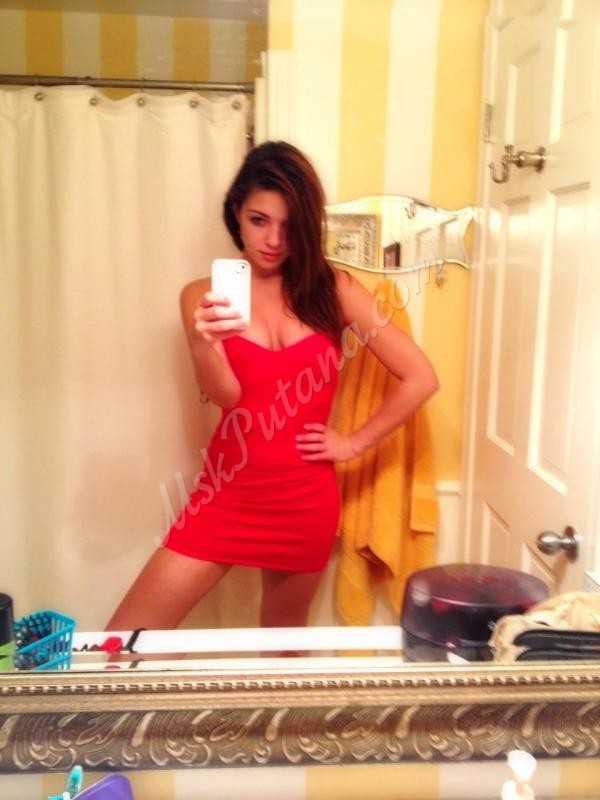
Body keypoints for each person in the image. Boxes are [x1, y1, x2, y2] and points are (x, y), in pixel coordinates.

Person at [105, 140, 439, 637]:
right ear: (236, 213)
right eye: (259, 220)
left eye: (290, 224)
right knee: (122, 641)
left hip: (305, 500)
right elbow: (228, 396)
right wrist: (201, 342)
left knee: (282, 649)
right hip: (226, 494)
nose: (274, 240)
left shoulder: (334, 290)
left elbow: (421, 377)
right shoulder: (201, 294)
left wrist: (352, 443)